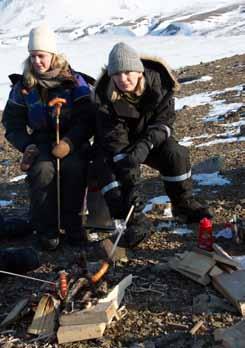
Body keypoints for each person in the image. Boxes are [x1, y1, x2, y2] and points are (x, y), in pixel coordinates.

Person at [94, 42, 212, 247]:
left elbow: (164, 124)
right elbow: (113, 138)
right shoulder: (104, 96)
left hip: (151, 140)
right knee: (106, 169)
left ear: (139, 71)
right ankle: (134, 219)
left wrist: (146, 145)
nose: (123, 79)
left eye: (128, 72)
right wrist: (130, 177)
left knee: (176, 154)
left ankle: (183, 205)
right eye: (116, 75)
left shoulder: (160, 85)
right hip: (119, 146)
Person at [2, 24, 95, 250]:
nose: (37, 62)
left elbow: (88, 119)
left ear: (53, 55)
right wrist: (27, 144)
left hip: (73, 141)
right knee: (42, 170)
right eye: (32, 56)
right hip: (41, 141)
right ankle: (47, 229)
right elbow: (12, 123)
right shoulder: (24, 86)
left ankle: (73, 225)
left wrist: (69, 143)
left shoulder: (74, 82)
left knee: (73, 168)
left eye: (41, 56)